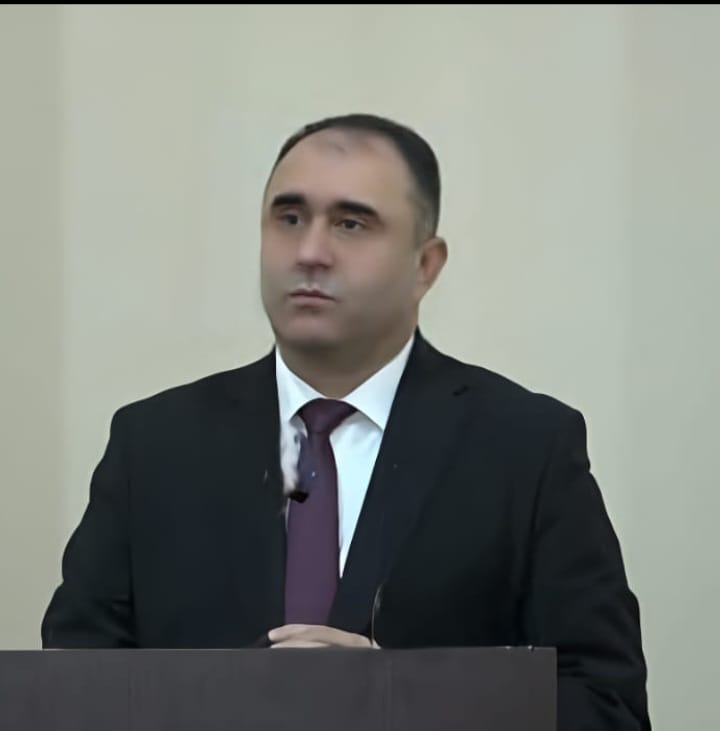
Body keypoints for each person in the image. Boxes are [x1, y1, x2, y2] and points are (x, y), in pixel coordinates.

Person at [42, 113, 650, 729]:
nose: (310, 252)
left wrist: (401, 699)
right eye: (289, 218)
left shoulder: (524, 447)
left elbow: (608, 706)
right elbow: (67, 695)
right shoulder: (155, 445)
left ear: (426, 265)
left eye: (351, 223)